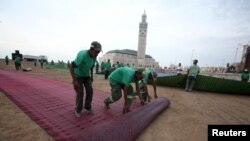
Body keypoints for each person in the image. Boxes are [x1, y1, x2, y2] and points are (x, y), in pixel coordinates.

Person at [69, 41, 102, 117]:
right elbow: (71, 66)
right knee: (80, 92)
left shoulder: (94, 56)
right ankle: (78, 109)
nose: (97, 54)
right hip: (78, 76)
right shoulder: (82, 55)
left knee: (90, 90)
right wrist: (74, 80)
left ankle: (87, 107)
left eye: (99, 52)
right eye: (96, 52)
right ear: (91, 49)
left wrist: (91, 77)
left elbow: (91, 66)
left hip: (86, 76)